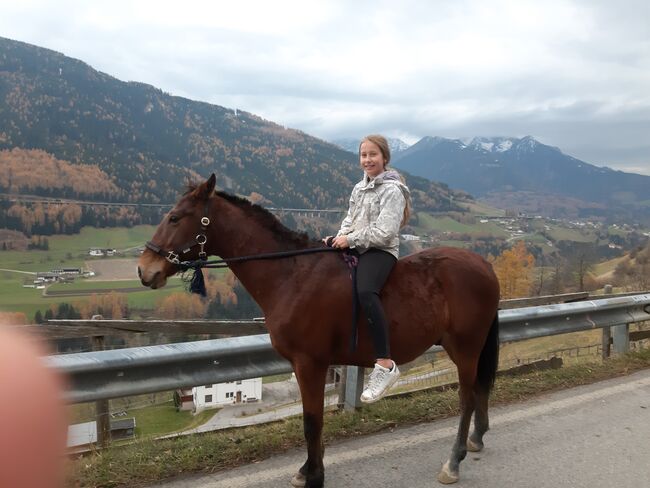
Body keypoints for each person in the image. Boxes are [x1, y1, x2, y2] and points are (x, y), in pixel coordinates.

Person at [324, 134, 411, 403]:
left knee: (365, 291)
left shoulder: (393, 190)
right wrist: (337, 239)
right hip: (356, 245)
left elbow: (385, 232)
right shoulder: (358, 188)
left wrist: (349, 240)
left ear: (385, 158)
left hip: (380, 251)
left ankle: (385, 363)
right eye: (363, 155)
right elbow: (350, 219)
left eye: (373, 154)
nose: (367, 160)